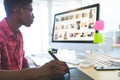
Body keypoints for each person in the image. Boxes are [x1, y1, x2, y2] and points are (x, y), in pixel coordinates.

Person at [0, 0, 69, 80]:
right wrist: (39, 72)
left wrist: (36, 75)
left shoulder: (19, 34)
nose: (33, 16)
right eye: (30, 10)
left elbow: (23, 60)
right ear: (18, 10)